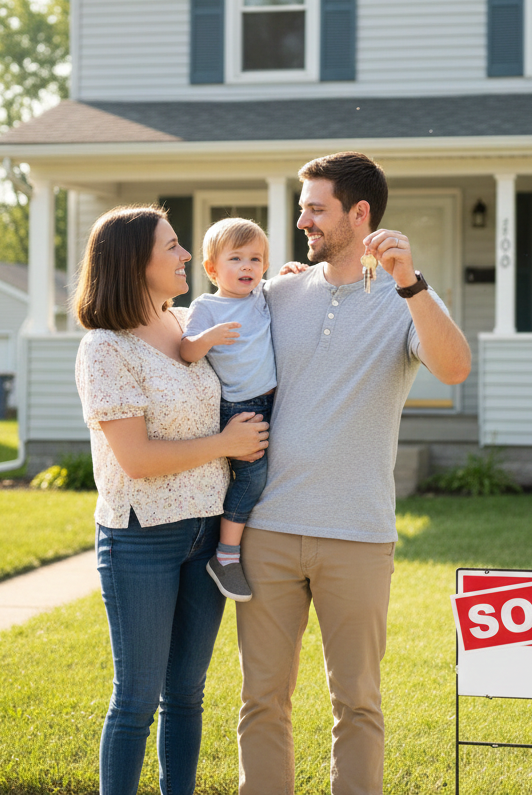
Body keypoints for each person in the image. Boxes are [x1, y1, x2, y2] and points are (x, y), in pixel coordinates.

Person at [235, 151, 472, 794]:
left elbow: (455, 369)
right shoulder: (276, 294)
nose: (302, 221)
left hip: (358, 534)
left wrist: (412, 284)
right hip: (269, 529)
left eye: (316, 209)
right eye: (302, 207)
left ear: (359, 213)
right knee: (261, 700)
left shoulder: (407, 297)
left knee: (358, 703)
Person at [73, 205, 269, 795]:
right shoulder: (105, 348)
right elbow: (135, 458)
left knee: (186, 693)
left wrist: (284, 278)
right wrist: (226, 444)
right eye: (174, 246)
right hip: (142, 537)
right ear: (135, 261)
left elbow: (251, 311)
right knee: (136, 698)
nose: (186, 255)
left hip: (208, 531)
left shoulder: (184, 323)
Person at [180, 218, 276, 602]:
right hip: (240, 408)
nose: (247, 266)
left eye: (255, 258)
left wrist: (291, 271)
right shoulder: (207, 306)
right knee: (251, 477)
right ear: (212, 269)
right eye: (235, 258)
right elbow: (187, 351)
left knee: (273, 472)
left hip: (274, 401)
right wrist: (208, 337)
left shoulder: (261, 296)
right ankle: (226, 555)